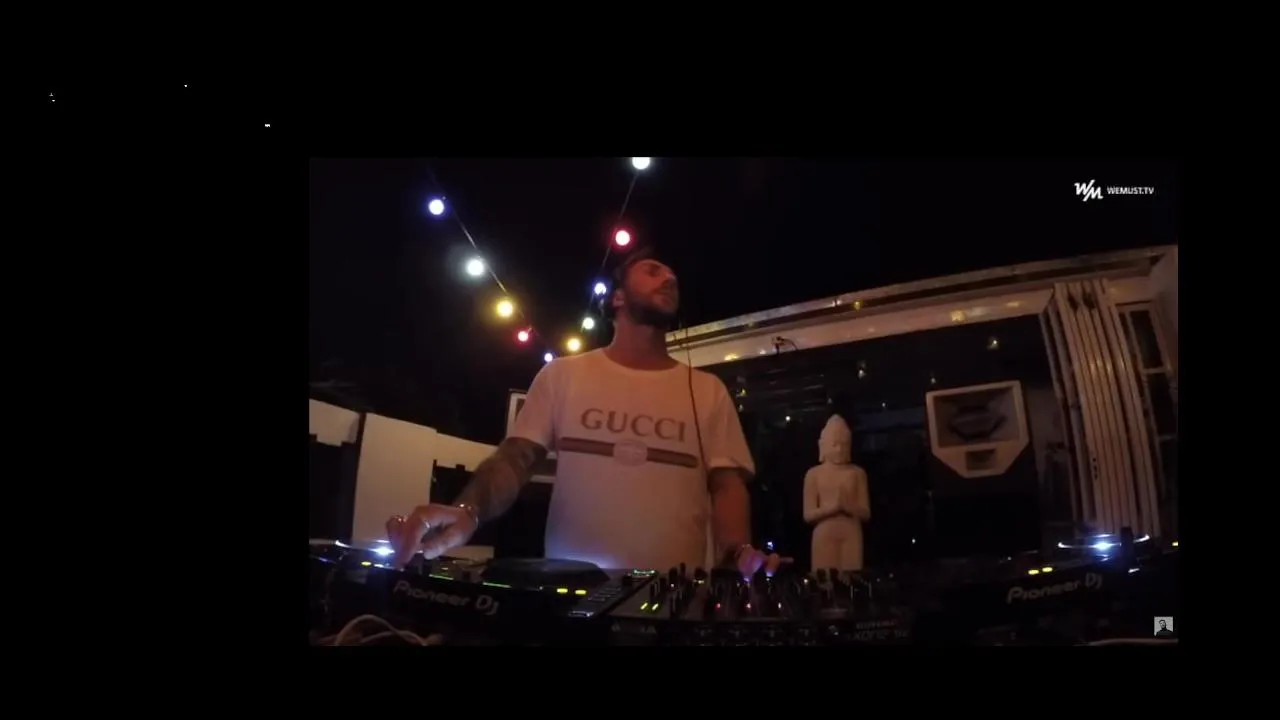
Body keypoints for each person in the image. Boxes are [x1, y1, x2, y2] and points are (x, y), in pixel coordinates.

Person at [386, 248, 787, 577]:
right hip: (571, 594)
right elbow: (516, 459)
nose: (669, 279)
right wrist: (468, 510)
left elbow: (727, 486)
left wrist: (737, 556)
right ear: (617, 298)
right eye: (653, 271)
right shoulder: (563, 375)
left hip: (675, 600)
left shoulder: (708, 390)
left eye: (673, 277)